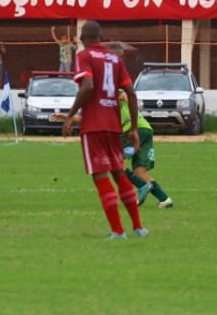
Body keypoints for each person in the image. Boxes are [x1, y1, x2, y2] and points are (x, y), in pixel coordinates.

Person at [54, 21, 146, 239]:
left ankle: (117, 231)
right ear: (101, 37)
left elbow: (88, 86)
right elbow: (131, 93)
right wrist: (133, 127)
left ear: (82, 39)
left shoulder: (84, 56)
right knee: (119, 172)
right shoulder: (116, 59)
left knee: (100, 175)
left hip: (94, 125)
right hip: (114, 125)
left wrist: (69, 116)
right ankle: (138, 228)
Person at [118, 89, 174, 209]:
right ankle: (165, 199)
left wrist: (130, 113)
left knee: (114, 162)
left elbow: (124, 94)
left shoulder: (110, 91)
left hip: (133, 130)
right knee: (139, 172)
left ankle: (143, 186)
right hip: (146, 129)